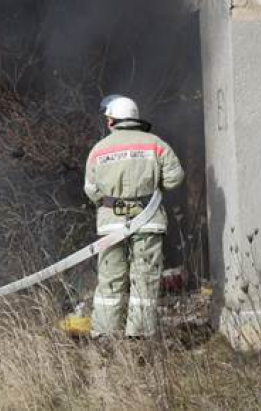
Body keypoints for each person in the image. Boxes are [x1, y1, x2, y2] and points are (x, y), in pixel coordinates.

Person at [84, 95, 184, 339]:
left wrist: (112, 200)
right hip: (147, 220)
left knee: (110, 279)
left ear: (112, 121)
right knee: (144, 278)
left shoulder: (99, 149)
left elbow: (91, 189)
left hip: (111, 224)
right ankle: (139, 335)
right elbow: (175, 178)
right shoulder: (156, 144)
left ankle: (105, 335)